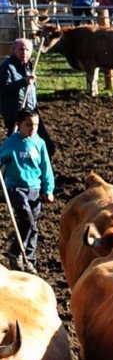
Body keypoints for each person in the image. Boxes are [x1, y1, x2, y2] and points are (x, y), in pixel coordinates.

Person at [0, 110, 54, 273]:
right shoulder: (11, 143)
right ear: (19, 125)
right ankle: (15, 253)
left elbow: (46, 168)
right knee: (26, 220)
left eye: (36, 125)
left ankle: (29, 260)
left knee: (34, 227)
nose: (33, 128)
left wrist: (48, 188)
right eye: (29, 125)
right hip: (15, 187)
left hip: (35, 189)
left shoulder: (39, 143)